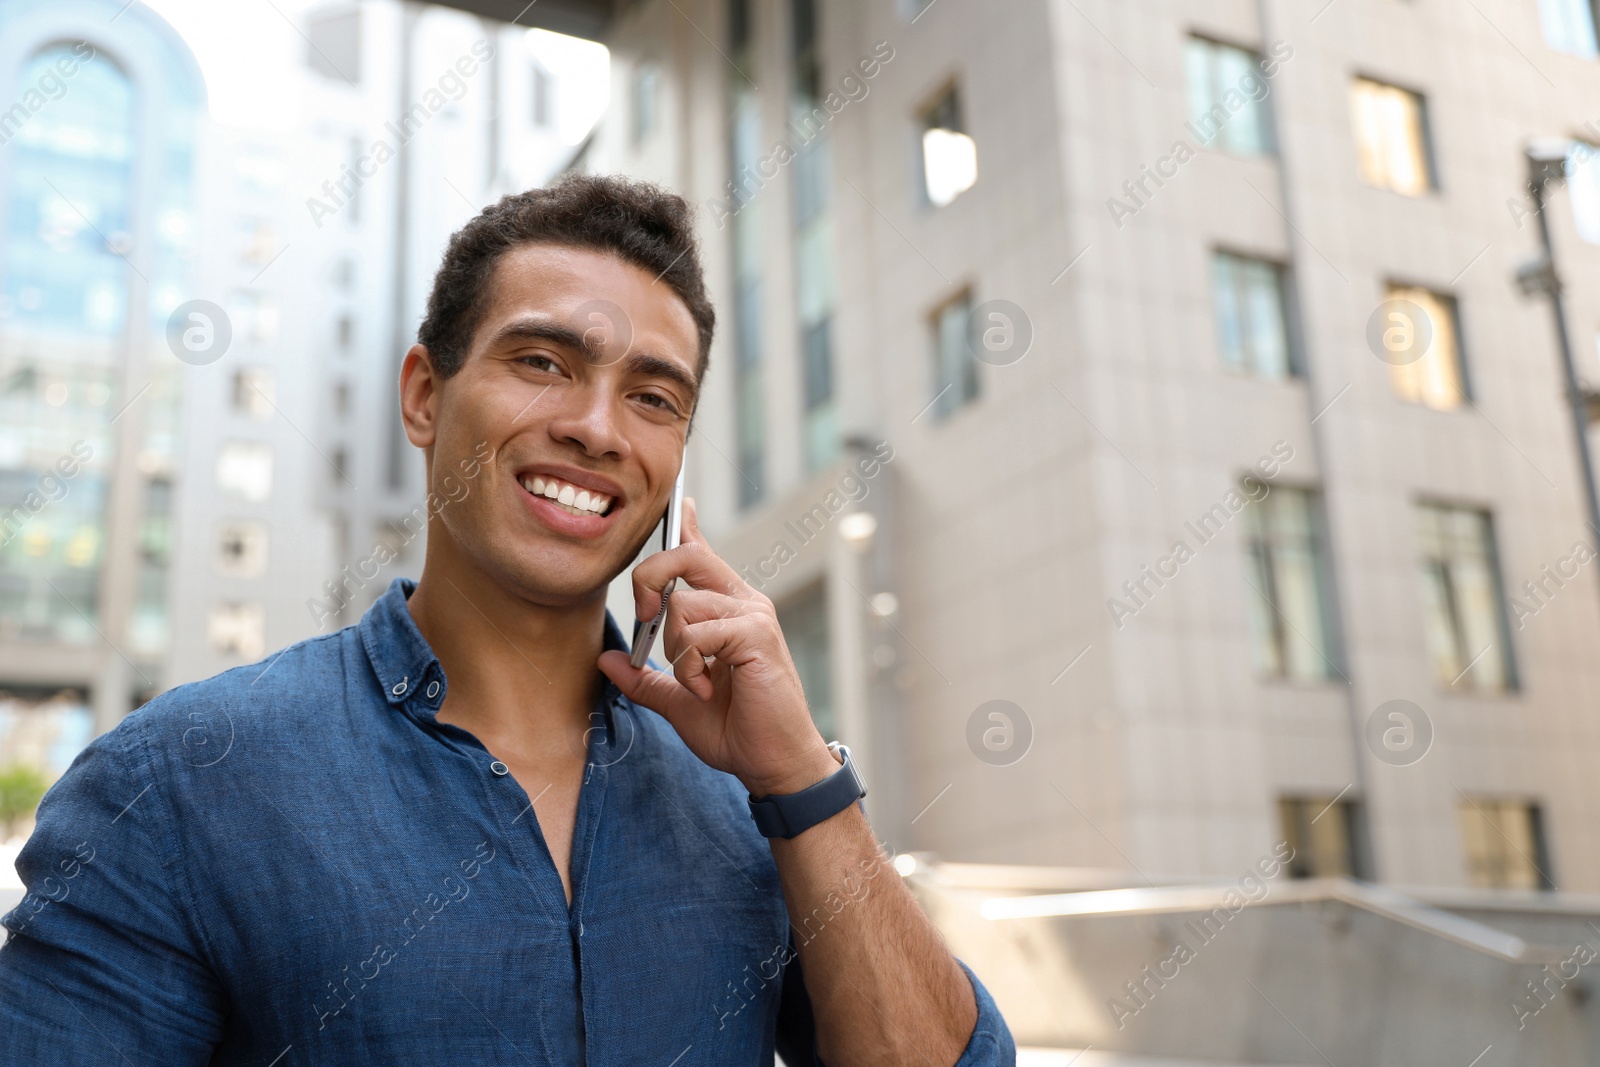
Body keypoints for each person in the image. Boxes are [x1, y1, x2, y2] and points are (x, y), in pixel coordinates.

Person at [0, 174, 1014, 1065]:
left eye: (653, 396)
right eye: (543, 361)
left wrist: (799, 778)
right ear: (424, 395)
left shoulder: (749, 801)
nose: (596, 427)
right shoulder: (178, 783)